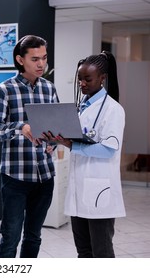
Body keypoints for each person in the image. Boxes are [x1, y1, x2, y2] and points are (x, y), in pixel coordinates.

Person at [0, 35, 59, 258]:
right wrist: (21, 127)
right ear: (20, 60)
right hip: (15, 178)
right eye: (35, 59)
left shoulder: (49, 89)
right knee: (10, 237)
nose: (41, 64)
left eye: (44, 58)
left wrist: (53, 142)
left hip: (45, 176)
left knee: (34, 236)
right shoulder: (4, 89)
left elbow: (57, 128)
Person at [51, 51, 126, 258]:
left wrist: (72, 146)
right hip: (80, 188)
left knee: (101, 252)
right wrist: (55, 140)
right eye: (80, 79)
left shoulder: (113, 110)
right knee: (83, 251)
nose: (82, 84)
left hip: (99, 190)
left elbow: (108, 149)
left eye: (88, 79)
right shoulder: (82, 108)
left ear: (102, 78)